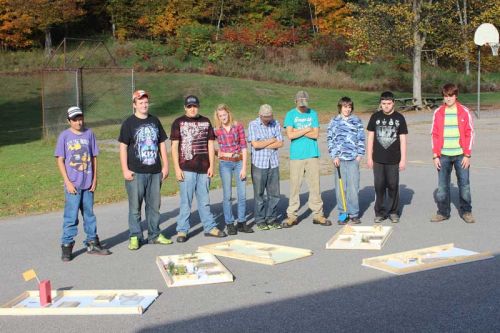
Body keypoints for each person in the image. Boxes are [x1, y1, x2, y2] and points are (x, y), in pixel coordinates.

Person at [55, 106, 111, 261]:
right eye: (75, 120)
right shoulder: (64, 136)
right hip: (73, 185)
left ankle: (92, 242)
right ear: (69, 121)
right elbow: (60, 159)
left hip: (88, 183)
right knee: (71, 217)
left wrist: (95, 179)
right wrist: (67, 182)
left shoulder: (89, 134)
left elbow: (94, 157)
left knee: (89, 215)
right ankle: (67, 246)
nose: (78, 122)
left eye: (80, 119)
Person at [118, 90, 172, 250]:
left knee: (154, 206)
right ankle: (135, 236)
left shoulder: (155, 120)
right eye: (140, 102)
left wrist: (166, 165)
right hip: (136, 172)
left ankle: (154, 235)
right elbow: (123, 147)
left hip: (155, 171)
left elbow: (161, 143)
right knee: (135, 207)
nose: (144, 105)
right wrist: (125, 170)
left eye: (146, 102)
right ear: (134, 105)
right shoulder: (129, 123)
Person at [171, 95, 227, 242]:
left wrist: (211, 166)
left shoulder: (206, 121)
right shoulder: (178, 122)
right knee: (186, 201)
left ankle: (210, 227)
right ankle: (182, 230)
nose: (192, 109)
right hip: (186, 169)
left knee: (204, 200)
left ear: (198, 106)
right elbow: (174, 146)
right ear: (185, 108)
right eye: (189, 106)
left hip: (204, 169)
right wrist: (177, 169)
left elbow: (210, 145)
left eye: (194, 106)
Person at [282, 91, 332, 228]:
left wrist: (300, 131)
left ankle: (318, 214)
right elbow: (290, 135)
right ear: (296, 101)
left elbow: (315, 134)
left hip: (312, 154)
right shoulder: (290, 114)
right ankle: (292, 215)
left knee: (315, 185)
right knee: (295, 186)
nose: (303, 107)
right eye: (300, 103)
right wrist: (306, 129)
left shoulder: (313, 113)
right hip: (296, 156)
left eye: (305, 103)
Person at [430, 83, 475, 223]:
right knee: (443, 185)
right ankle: (443, 212)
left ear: (456, 96)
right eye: (445, 96)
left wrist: (467, 154)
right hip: (443, 155)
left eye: (450, 96)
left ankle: (466, 211)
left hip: (461, 155)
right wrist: (435, 155)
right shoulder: (438, 113)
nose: (448, 99)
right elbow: (434, 134)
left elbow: (470, 133)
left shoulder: (464, 111)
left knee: (464, 184)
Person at [366, 91, 408, 223]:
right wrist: (368, 157)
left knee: (393, 185)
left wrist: (403, 160)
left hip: (394, 159)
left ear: (393, 103)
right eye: (383, 103)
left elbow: (403, 140)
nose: (386, 106)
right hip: (378, 158)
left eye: (389, 103)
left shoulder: (399, 118)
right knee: (379, 185)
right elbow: (370, 137)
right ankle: (380, 212)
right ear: (380, 104)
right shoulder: (375, 117)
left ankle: (393, 211)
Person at [213, 104, 253, 235]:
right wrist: (220, 153)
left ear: (228, 114)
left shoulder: (238, 126)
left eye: (224, 115)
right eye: (220, 116)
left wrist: (244, 167)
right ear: (218, 117)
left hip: (239, 162)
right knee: (227, 195)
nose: (223, 117)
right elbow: (210, 146)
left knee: (242, 194)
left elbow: (244, 146)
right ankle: (229, 223)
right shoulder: (216, 130)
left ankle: (241, 222)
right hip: (225, 164)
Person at [327, 97, 365, 225]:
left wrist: (359, 155)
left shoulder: (356, 121)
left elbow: (361, 138)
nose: (347, 109)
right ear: (340, 107)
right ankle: (343, 213)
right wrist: (334, 156)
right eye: (345, 106)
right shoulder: (334, 121)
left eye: (349, 107)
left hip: (353, 158)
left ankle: (354, 213)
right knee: (340, 188)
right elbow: (330, 140)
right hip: (340, 160)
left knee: (353, 187)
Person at [247, 104, 284, 230]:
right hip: (259, 164)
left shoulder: (276, 123)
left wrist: (265, 143)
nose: (268, 119)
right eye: (265, 117)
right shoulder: (253, 124)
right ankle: (260, 219)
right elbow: (255, 144)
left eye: (269, 116)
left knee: (274, 194)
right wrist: (271, 140)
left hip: (273, 163)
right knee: (259, 194)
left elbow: (280, 143)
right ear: (260, 115)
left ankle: (272, 218)